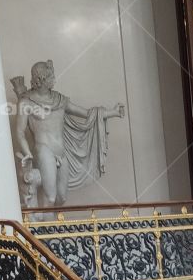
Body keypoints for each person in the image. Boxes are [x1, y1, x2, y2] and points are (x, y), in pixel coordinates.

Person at [14, 60, 124, 207]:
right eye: (51, 76)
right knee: (50, 197)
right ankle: (45, 228)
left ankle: (47, 223)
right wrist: (27, 153)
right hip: (43, 150)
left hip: (61, 152)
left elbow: (87, 113)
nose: (55, 79)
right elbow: (20, 131)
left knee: (62, 198)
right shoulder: (26, 103)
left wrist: (113, 112)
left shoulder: (60, 99)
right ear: (41, 79)